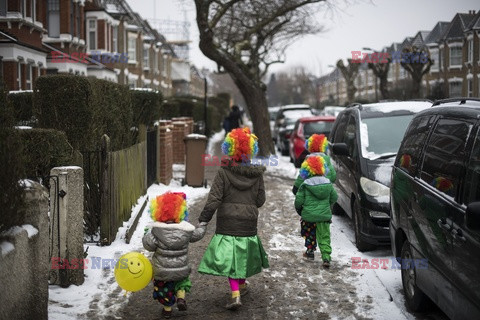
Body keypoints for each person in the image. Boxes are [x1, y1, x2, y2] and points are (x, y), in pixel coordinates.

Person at [197, 127, 269, 310]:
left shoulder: (223, 173)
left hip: (227, 222)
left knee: (231, 259)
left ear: (230, 148)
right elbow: (260, 200)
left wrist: (203, 219)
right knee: (242, 254)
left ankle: (235, 294)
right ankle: (242, 285)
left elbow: (214, 200)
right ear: (250, 149)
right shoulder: (257, 175)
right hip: (248, 222)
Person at [143, 192, 207, 319]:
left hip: (162, 270)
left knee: (164, 289)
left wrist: (147, 233)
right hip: (181, 267)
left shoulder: (156, 232)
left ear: (158, 212)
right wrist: (203, 225)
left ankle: (167, 310)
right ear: (181, 212)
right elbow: (198, 234)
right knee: (182, 282)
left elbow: (148, 246)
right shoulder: (186, 231)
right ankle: (181, 298)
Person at [294, 155, 338, 268]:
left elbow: (299, 200)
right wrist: (327, 205)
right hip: (324, 217)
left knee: (309, 233)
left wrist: (299, 208)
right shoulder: (328, 183)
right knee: (324, 237)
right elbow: (335, 197)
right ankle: (326, 257)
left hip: (308, 216)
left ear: (307, 170)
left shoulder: (305, 184)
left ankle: (310, 251)